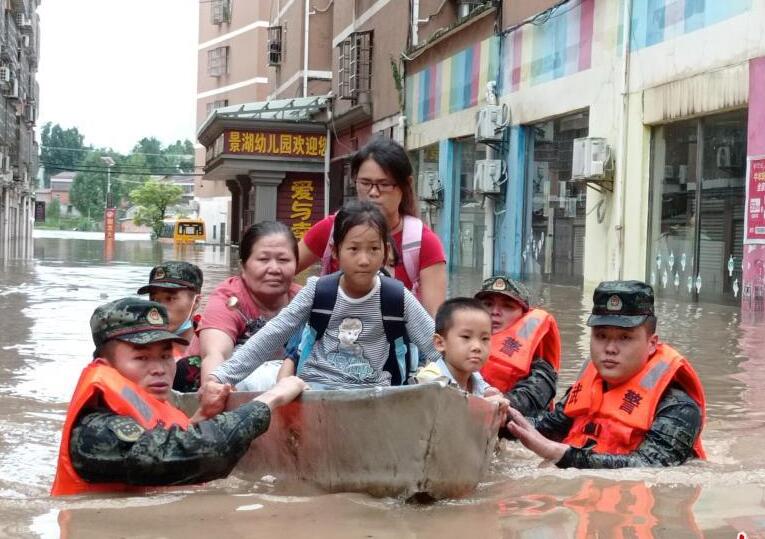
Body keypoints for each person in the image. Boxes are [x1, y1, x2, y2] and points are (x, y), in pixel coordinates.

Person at [51, 297, 307, 496]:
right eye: (141, 357)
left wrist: (202, 417)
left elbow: (164, 444)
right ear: (105, 364)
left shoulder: (136, 414)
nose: (160, 368)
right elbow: (195, 455)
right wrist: (270, 399)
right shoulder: (95, 429)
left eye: (165, 356)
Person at [203, 200, 440, 393]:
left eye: (374, 249)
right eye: (354, 249)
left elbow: (437, 346)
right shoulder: (318, 291)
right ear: (336, 251)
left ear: (386, 251)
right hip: (314, 392)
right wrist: (220, 376)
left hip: (374, 398)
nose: (364, 259)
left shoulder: (398, 296)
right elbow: (271, 336)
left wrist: (474, 384)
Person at [504, 280, 706, 468]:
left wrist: (563, 455)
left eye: (625, 338)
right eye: (601, 336)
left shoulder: (678, 407)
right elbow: (549, 426)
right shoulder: (589, 385)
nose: (610, 348)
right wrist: (502, 416)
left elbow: (649, 465)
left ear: (652, 344)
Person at [297, 137, 447, 317]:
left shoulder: (422, 242)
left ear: (406, 185)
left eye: (384, 184)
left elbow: (436, 318)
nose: (373, 193)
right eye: (366, 183)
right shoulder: (331, 229)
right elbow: (280, 272)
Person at [198, 221, 302, 391]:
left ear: (296, 265)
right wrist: (213, 389)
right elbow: (216, 354)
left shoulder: (305, 300)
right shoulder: (228, 299)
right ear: (243, 266)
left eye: (283, 260)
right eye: (263, 259)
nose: (274, 269)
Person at [475, 276, 561, 416]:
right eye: (488, 304)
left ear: (523, 315)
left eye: (507, 306)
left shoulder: (541, 368)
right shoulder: (459, 348)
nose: (495, 312)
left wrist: (502, 403)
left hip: (509, 431)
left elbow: (531, 398)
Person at [137, 260, 204, 392]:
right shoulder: (135, 347)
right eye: (154, 300)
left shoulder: (216, 343)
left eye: (170, 298)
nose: (159, 309)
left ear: (196, 302)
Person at [414, 297, 495, 396]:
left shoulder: (477, 380)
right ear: (440, 343)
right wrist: (486, 405)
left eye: (485, 339)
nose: (477, 347)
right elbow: (451, 407)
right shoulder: (430, 380)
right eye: (466, 337)